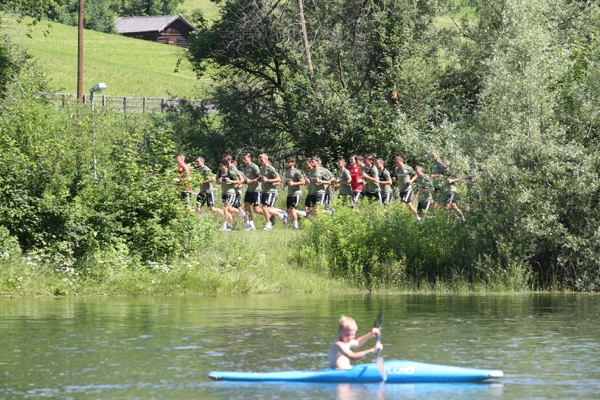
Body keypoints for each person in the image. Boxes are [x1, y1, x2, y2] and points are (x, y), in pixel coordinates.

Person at [217, 159, 242, 231]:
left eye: (222, 165)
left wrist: (230, 181)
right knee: (229, 210)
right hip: (224, 193)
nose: (220, 167)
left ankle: (224, 225)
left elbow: (238, 181)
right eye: (220, 165)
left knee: (225, 209)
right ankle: (232, 224)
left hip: (231, 192)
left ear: (226, 165)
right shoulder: (219, 172)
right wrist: (219, 181)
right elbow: (216, 182)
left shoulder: (230, 172)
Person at [259, 153, 282, 231]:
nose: (260, 161)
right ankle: (282, 214)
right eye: (260, 160)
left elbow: (279, 179)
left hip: (270, 191)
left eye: (261, 160)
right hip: (264, 190)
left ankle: (269, 224)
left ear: (266, 159)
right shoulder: (261, 168)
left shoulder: (270, 168)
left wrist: (268, 180)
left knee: (265, 207)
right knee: (267, 208)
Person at [393, 156, 420, 221]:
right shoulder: (396, 169)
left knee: (403, 203)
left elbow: (416, 175)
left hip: (407, 189)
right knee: (410, 206)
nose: (396, 163)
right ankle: (418, 218)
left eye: (397, 162)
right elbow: (397, 177)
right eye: (395, 162)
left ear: (401, 161)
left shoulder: (408, 168)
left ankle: (400, 219)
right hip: (401, 190)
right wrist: (394, 179)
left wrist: (411, 181)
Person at [283, 157, 306, 229]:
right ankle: (304, 213)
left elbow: (303, 182)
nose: (288, 163)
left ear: (293, 163)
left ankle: (295, 226)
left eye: (290, 162)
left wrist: (293, 184)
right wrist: (285, 184)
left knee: (292, 209)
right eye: (287, 162)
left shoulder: (296, 171)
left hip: (296, 193)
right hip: (289, 193)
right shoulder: (287, 172)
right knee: (289, 210)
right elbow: (288, 180)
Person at [241, 153, 262, 230]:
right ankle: (251, 226)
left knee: (256, 210)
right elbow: (247, 180)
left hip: (256, 190)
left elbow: (260, 178)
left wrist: (252, 181)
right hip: (249, 190)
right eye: (243, 159)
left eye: (245, 159)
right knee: (246, 206)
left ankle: (269, 215)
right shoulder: (246, 168)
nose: (244, 160)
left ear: (250, 158)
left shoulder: (254, 167)